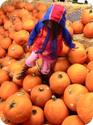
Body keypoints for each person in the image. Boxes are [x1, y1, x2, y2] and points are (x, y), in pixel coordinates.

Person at [17, 4, 75, 80]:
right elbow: (34, 32)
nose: (50, 24)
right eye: (48, 21)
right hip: (38, 48)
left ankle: (43, 77)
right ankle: (24, 71)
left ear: (59, 23)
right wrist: (30, 42)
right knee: (29, 60)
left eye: (53, 22)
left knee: (45, 68)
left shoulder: (61, 30)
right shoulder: (41, 24)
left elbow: (68, 38)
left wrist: (71, 45)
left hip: (50, 52)